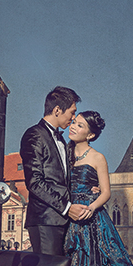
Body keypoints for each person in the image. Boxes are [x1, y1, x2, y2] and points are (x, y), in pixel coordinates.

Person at [64, 111, 133, 266]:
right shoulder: (65, 153)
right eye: (73, 122)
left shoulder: (97, 157)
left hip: (91, 218)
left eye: (80, 125)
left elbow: (106, 192)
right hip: (68, 213)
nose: (73, 126)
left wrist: (92, 207)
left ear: (90, 135)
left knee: (95, 262)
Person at [19, 86, 90, 255]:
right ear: (57, 110)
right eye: (72, 113)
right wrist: (67, 208)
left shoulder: (61, 139)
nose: (73, 118)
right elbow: (34, 183)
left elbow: (64, 179)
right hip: (45, 221)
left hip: (62, 220)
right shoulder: (34, 135)